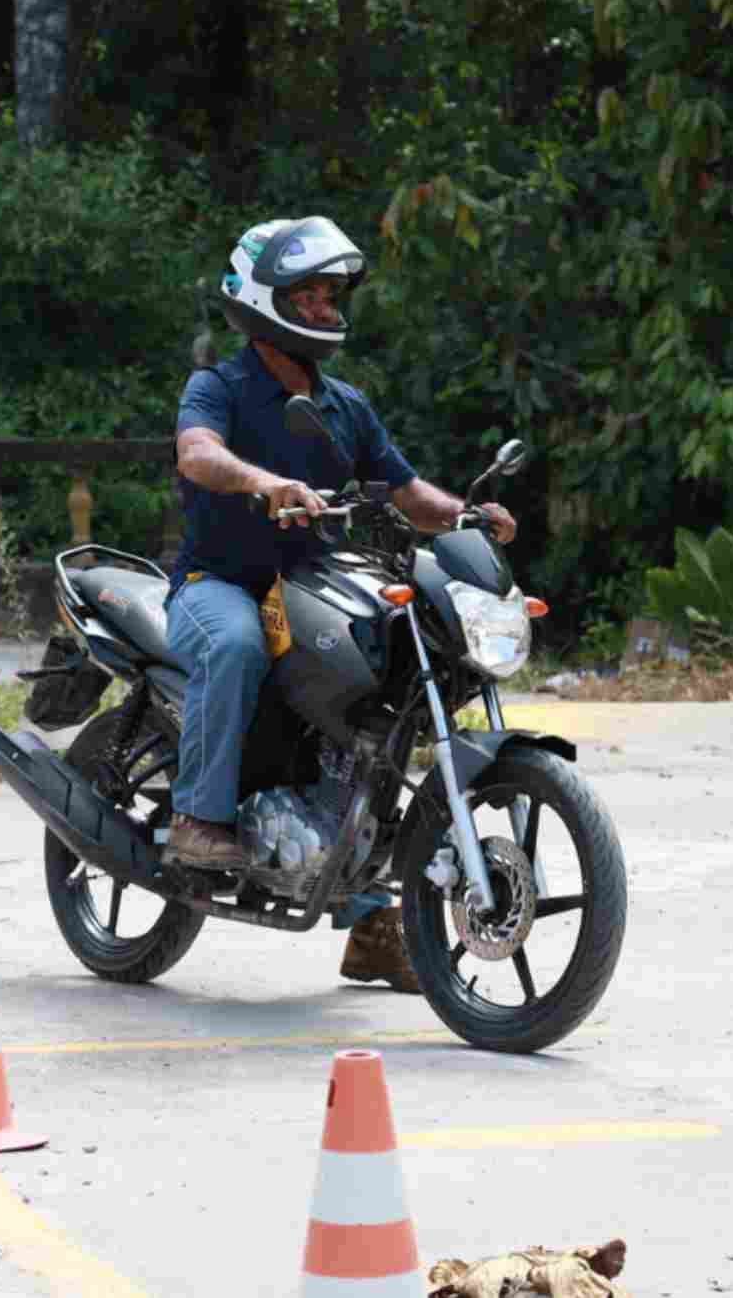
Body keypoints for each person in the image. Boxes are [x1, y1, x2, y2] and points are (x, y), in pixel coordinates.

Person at [166, 215, 518, 990]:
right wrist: (265, 484)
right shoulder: (218, 387)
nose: (328, 309)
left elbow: (407, 489)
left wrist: (464, 515)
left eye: (332, 295)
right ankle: (197, 817)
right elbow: (198, 454)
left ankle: (372, 920)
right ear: (266, 303)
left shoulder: (344, 405)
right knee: (236, 647)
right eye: (312, 295)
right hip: (220, 587)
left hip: (312, 590)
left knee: (379, 708)